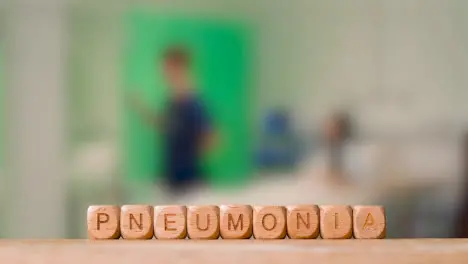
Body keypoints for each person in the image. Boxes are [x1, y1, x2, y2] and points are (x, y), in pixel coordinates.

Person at [130, 46, 215, 194]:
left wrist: (190, 153)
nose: (163, 73)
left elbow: (211, 139)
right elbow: (164, 124)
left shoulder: (194, 101)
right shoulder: (172, 100)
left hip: (189, 183)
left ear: (180, 68)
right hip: (171, 179)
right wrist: (141, 108)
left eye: (166, 68)